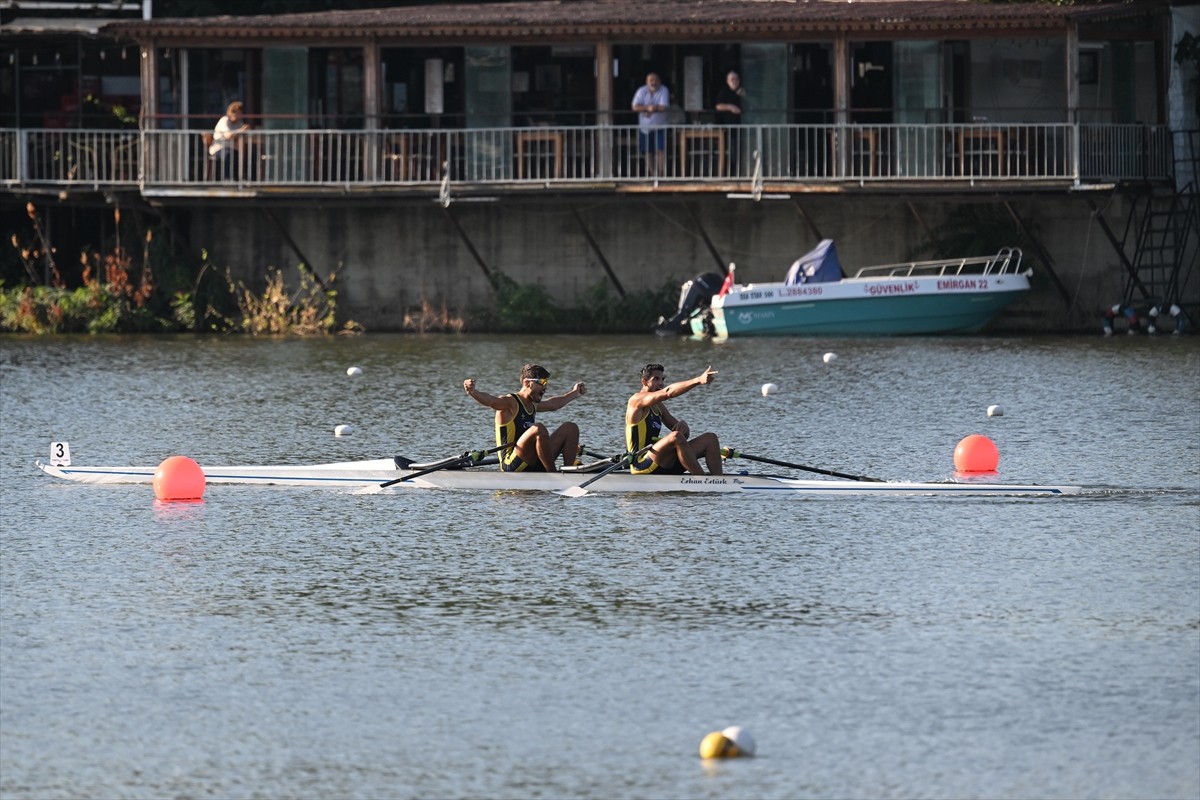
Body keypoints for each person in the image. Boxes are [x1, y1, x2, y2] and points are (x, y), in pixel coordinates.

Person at [464, 364, 586, 472]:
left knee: (571, 428)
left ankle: (569, 474)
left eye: (547, 383)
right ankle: (553, 474)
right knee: (538, 429)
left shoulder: (532, 404)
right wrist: (473, 392)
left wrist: (575, 393)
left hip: (533, 459)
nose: (545, 387)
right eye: (542, 382)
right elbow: (490, 401)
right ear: (527, 383)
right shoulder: (510, 403)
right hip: (511, 464)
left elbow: (554, 404)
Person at [625, 363, 722, 475]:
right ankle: (702, 479)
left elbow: (684, 436)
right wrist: (698, 380)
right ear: (644, 382)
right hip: (641, 464)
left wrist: (684, 426)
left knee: (710, 438)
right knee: (675, 436)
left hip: (662, 462)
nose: (660, 383)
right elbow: (667, 392)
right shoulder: (636, 400)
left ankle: (719, 481)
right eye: (656, 379)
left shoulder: (658, 406)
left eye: (662, 379)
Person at [631, 72, 670, 180]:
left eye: (656, 80)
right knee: (648, 151)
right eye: (651, 80)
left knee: (661, 150)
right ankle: (652, 174)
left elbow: (664, 107)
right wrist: (647, 108)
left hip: (661, 125)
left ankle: (661, 174)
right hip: (645, 127)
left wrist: (653, 108)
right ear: (646, 82)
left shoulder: (663, 90)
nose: (653, 83)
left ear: (660, 81)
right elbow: (634, 107)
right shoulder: (641, 91)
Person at [714, 70, 745, 175]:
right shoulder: (724, 91)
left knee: (741, 150)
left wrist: (745, 96)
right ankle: (731, 173)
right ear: (728, 81)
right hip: (728, 128)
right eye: (732, 79)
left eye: (736, 79)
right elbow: (718, 106)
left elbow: (755, 104)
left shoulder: (743, 92)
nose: (734, 81)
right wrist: (730, 107)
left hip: (743, 127)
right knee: (732, 151)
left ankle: (741, 171)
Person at [210, 101, 251, 179]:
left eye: (239, 113)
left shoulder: (239, 123)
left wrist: (248, 131)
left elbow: (244, 136)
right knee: (229, 154)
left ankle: (243, 178)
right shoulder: (224, 120)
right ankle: (227, 178)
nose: (237, 115)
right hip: (219, 149)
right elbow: (228, 136)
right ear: (230, 113)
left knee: (249, 153)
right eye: (235, 112)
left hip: (234, 148)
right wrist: (241, 130)